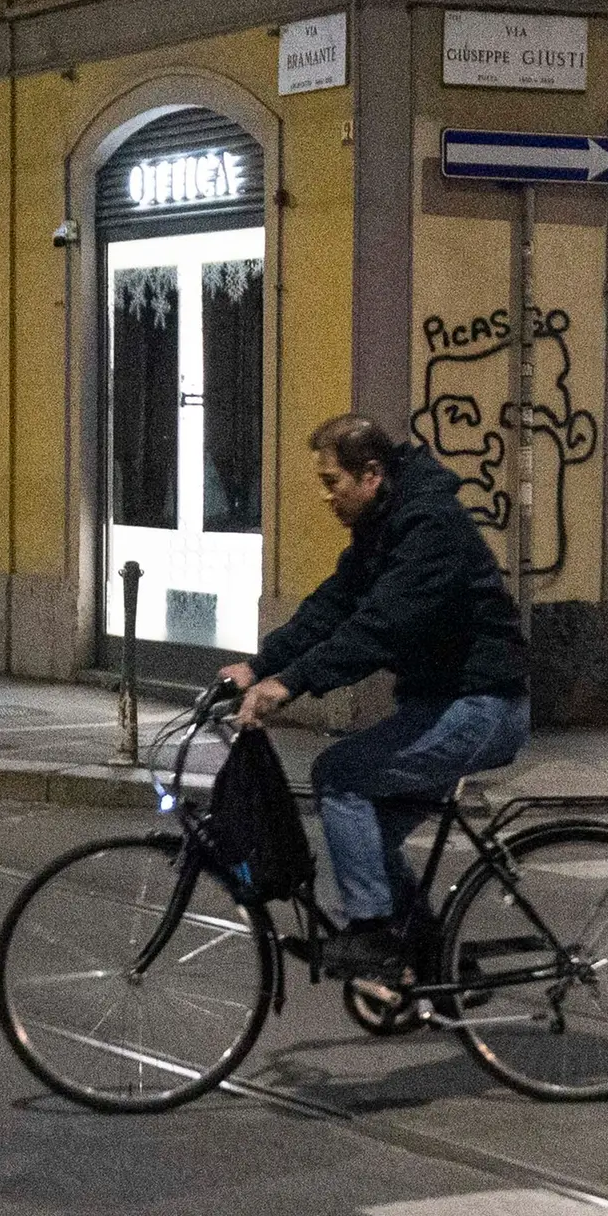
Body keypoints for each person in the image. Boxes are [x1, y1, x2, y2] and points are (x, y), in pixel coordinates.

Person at [221, 414, 534, 984]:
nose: (324, 496)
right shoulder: (384, 523)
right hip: (439, 704)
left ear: (370, 475)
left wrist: (291, 684)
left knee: (341, 775)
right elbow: (335, 605)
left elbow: (380, 626)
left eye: (331, 481)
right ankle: (438, 966)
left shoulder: (428, 528)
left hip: (482, 706)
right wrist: (259, 665)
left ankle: (374, 936)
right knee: (370, 839)